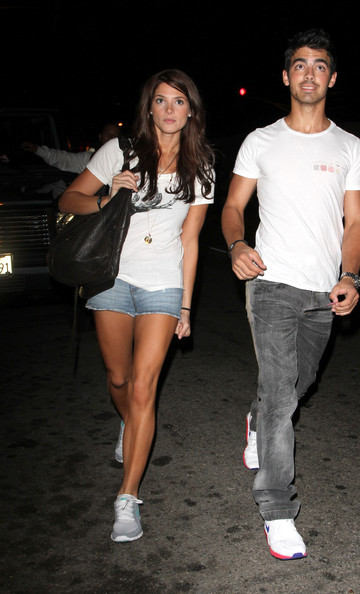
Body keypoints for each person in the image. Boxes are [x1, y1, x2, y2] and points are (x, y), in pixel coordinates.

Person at [221, 29, 360, 560]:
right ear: (286, 76)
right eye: (300, 65)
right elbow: (232, 207)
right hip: (271, 283)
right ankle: (277, 511)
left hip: (323, 290)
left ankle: (257, 415)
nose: (310, 73)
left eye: (320, 65)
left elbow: (356, 221)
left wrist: (351, 276)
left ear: (333, 77)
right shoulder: (260, 141)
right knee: (283, 398)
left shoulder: (350, 147)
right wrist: (237, 244)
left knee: (297, 386)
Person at [58, 69, 215, 542]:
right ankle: (129, 423)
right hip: (111, 277)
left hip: (162, 284)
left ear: (191, 111)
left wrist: (185, 307)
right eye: (161, 100)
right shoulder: (118, 152)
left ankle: (127, 498)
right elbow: (69, 199)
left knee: (145, 388)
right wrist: (108, 196)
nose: (169, 109)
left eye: (179, 101)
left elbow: (190, 240)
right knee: (119, 379)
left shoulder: (202, 166)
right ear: (149, 107)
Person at [22, 122, 121, 173]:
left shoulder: (126, 159)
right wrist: (38, 150)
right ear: (100, 136)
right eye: (107, 133)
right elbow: (63, 159)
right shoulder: (89, 159)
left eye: (115, 135)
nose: (111, 137)